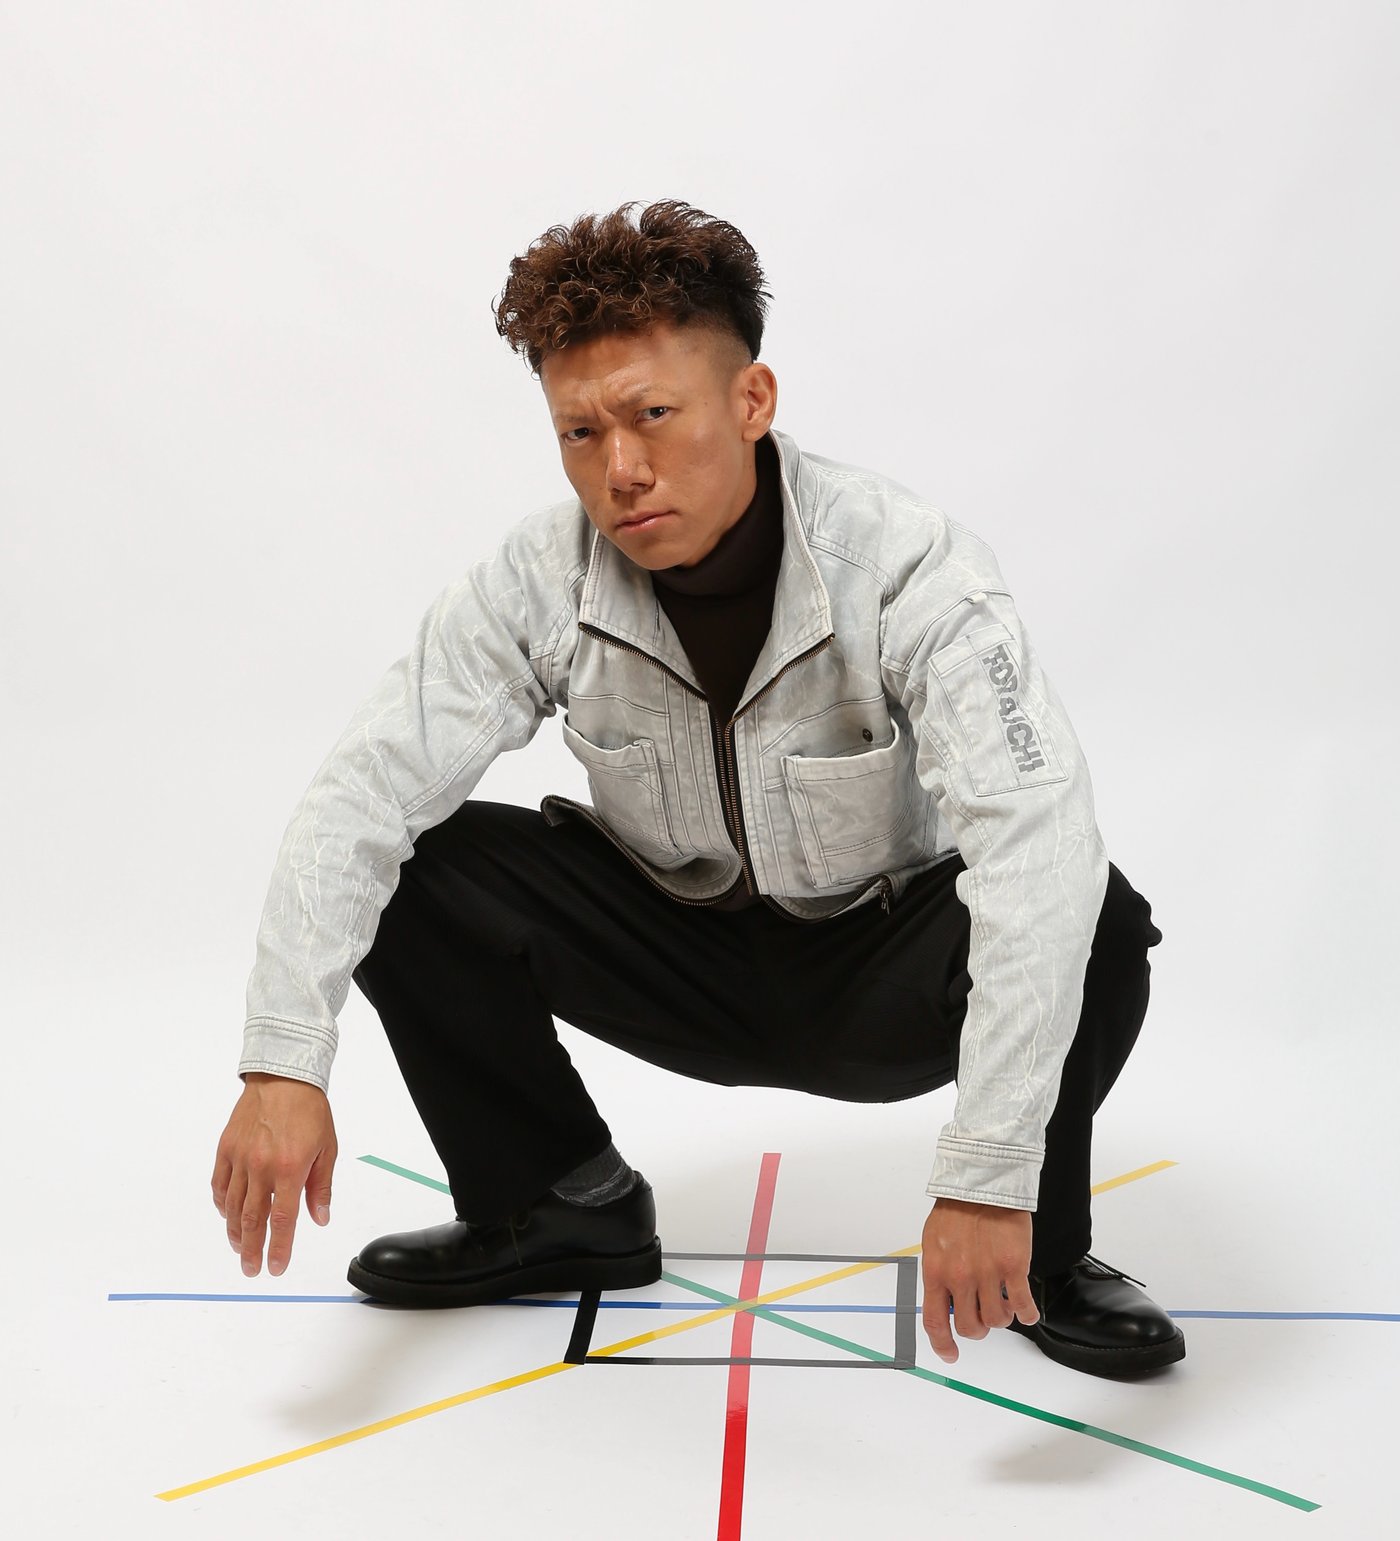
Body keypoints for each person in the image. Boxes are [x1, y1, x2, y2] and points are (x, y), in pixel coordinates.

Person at [212, 199, 1181, 1379]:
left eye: (651, 416)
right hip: (676, 956)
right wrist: (281, 1061)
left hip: (880, 971)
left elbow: (1033, 839)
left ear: (750, 401)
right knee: (416, 864)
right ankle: (554, 1200)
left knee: (1091, 912)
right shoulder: (537, 578)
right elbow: (357, 796)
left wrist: (984, 1171)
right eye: (579, 432)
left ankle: (1038, 1249)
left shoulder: (907, 565)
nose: (618, 470)